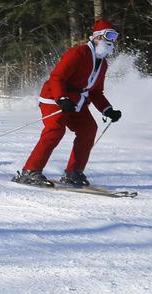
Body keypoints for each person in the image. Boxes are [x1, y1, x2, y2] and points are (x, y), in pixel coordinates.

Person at [14, 19, 122, 187]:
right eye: (108, 37)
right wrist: (62, 98)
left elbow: (95, 92)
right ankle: (30, 171)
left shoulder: (103, 63)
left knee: (88, 129)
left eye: (114, 38)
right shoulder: (78, 53)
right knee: (55, 130)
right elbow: (56, 77)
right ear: (96, 37)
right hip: (54, 98)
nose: (111, 42)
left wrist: (108, 110)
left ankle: (74, 172)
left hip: (77, 102)